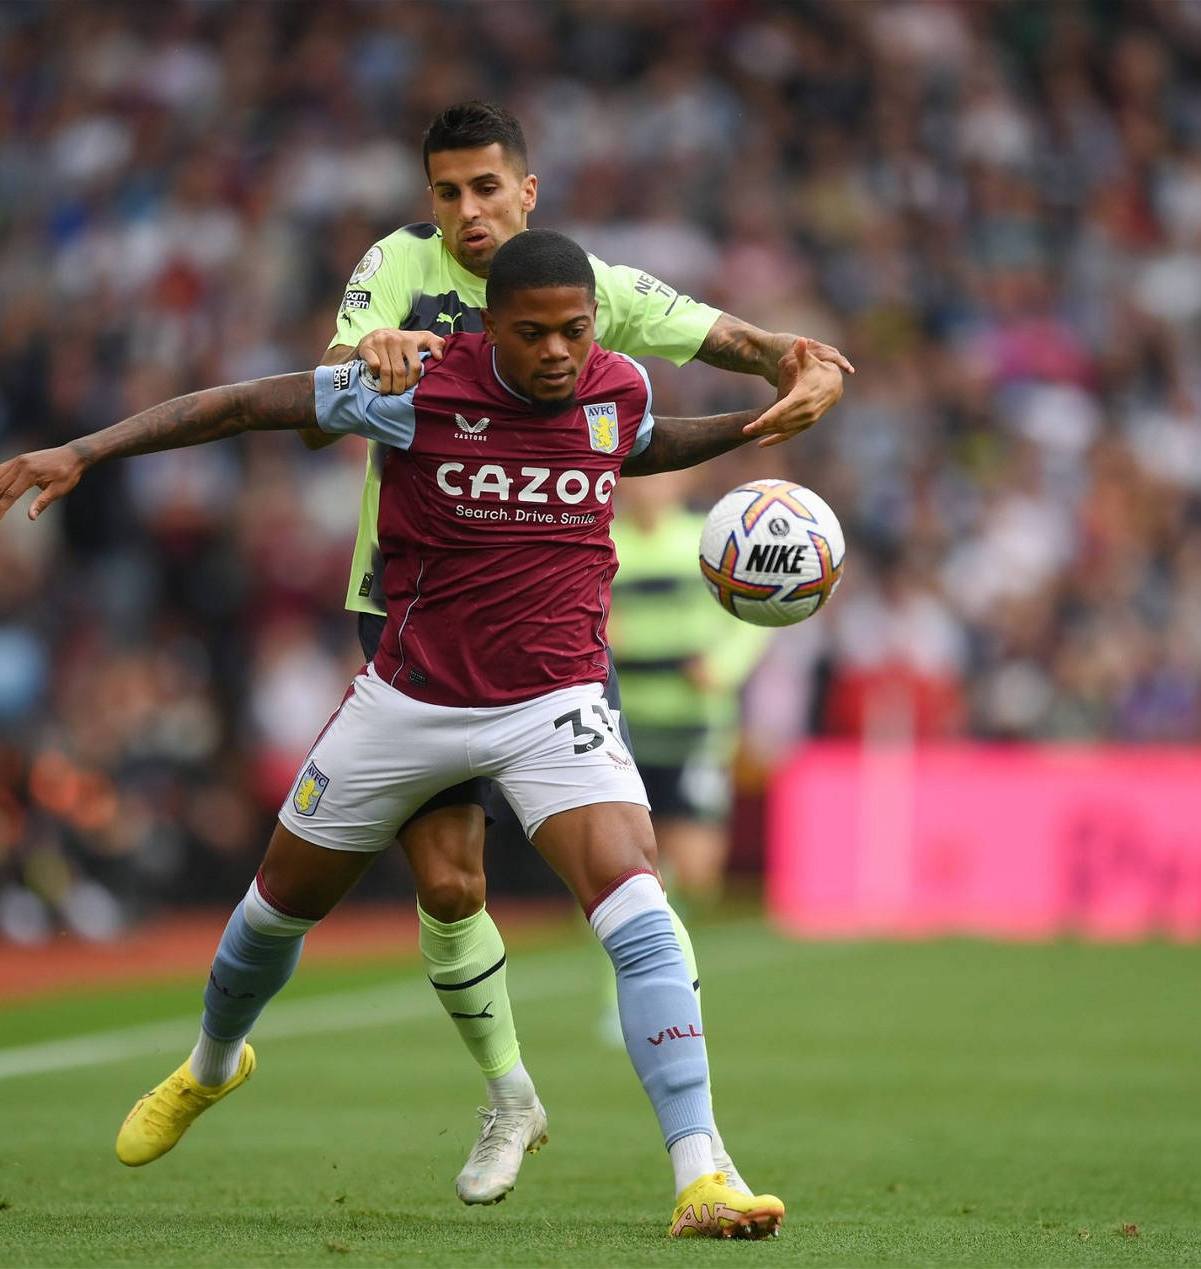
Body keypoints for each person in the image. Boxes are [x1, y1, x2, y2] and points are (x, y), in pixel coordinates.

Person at [0, 229, 826, 1238]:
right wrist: (85, 449)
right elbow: (247, 405)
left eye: (576, 332)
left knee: (640, 911)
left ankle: (701, 1175)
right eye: (534, 334)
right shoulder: (415, 385)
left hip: (554, 705)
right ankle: (210, 1064)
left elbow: (642, 443)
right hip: (407, 704)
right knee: (276, 911)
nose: (558, 353)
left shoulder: (617, 388)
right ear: (489, 324)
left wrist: (759, 422)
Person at [301, 100, 851, 1203]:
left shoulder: (590, 289)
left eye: (487, 188)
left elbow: (730, 343)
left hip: (551, 626)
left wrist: (805, 367)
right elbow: (328, 378)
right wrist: (374, 347)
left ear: (528, 190)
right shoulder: (396, 270)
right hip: (412, 612)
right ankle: (509, 1093)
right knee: (452, 887)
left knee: (632, 878)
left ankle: (698, 1157)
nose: (468, 212)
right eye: (448, 192)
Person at [603, 471, 772, 1033]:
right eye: (641, 479)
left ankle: (659, 955)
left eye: (662, 479)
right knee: (627, 867)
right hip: (624, 728)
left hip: (697, 727)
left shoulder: (708, 540)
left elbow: (754, 617)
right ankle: (637, 986)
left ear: (684, 482)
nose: (650, 489)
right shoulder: (605, 541)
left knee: (695, 870)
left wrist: (722, 667)